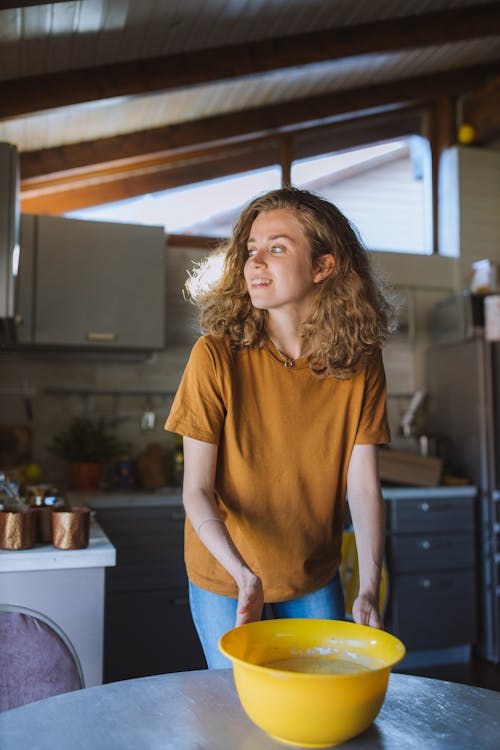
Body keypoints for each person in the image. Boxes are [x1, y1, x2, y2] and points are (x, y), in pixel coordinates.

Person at [165, 187, 394, 669]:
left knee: (320, 707)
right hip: (225, 579)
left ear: (322, 267)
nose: (254, 262)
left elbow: (364, 485)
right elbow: (197, 492)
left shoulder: (360, 362)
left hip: (313, 572)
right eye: (250, 250)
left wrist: (369, 583)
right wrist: (243, 574)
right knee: (237, 713)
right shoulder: (215, 356)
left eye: (276, 248)